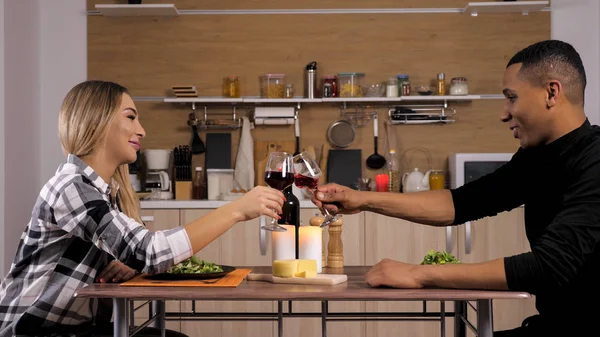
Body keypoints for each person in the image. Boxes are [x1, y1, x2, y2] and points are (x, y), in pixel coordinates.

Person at [313, 39, 600, 336]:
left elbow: (547, 267)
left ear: (551, 92)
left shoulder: (595, 162)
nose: (504, 113)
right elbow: (462, 203)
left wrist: (418, 274)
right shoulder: (538, 158)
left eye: (511, 98)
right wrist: (360, 199)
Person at [0, 80, 286, 337]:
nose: (142, 130)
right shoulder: (70, 187)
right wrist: (236, 210)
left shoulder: (102, 191)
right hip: (32, 330)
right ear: (97, 122)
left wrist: (124, 261)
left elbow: (134, 251)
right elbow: (150, 252)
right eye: (131, 117)